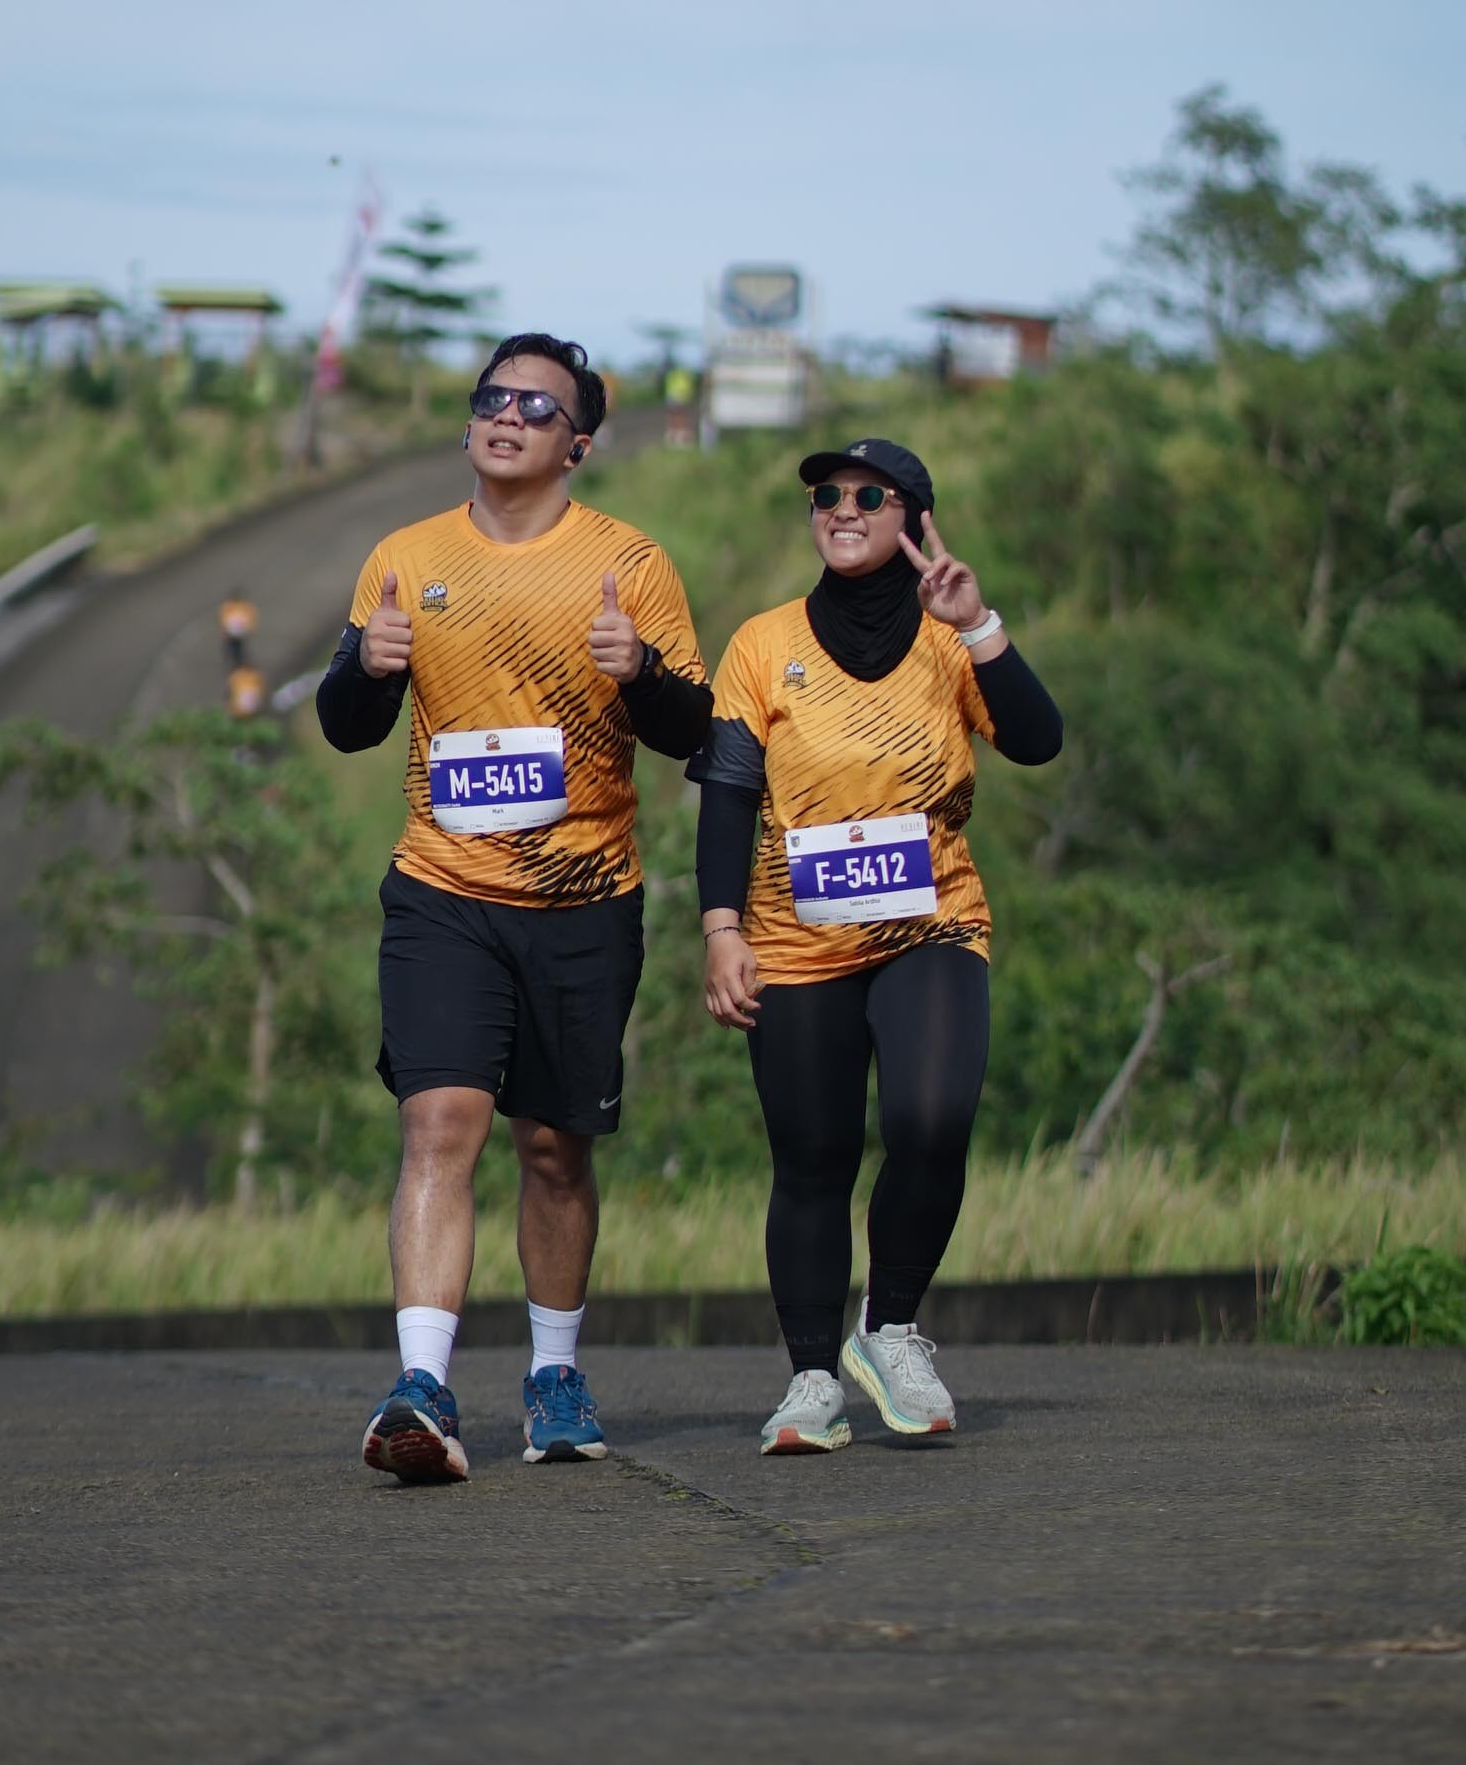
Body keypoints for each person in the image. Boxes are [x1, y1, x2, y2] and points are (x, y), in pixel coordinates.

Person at [318, 331, 711, 1481]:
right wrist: (366, 667)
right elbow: (345, 727)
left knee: (552, 1149)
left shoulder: (628, 564)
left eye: (537, 408)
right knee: (440, 1123)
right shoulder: (404, 557)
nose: (507, 417)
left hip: (583, 896)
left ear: (576, 444)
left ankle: (552, 1374)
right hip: (442, 890)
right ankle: (422, 1386)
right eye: (492, 397)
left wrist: (638, 671)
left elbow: (691, 731)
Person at [694, 437, 1062, 1453]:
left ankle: (889, 1327)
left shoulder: (951, 638)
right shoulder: (762, 644)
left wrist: (978, 626)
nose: (842, 508)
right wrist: (721, 929)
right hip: (794, 941)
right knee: (812, 1157)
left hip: (930, 925)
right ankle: (811, 1380)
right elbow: (726, 795)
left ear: (914, 519)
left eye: (869, 495)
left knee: (932, 1118)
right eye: (827, 494)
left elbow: (1037, 740)